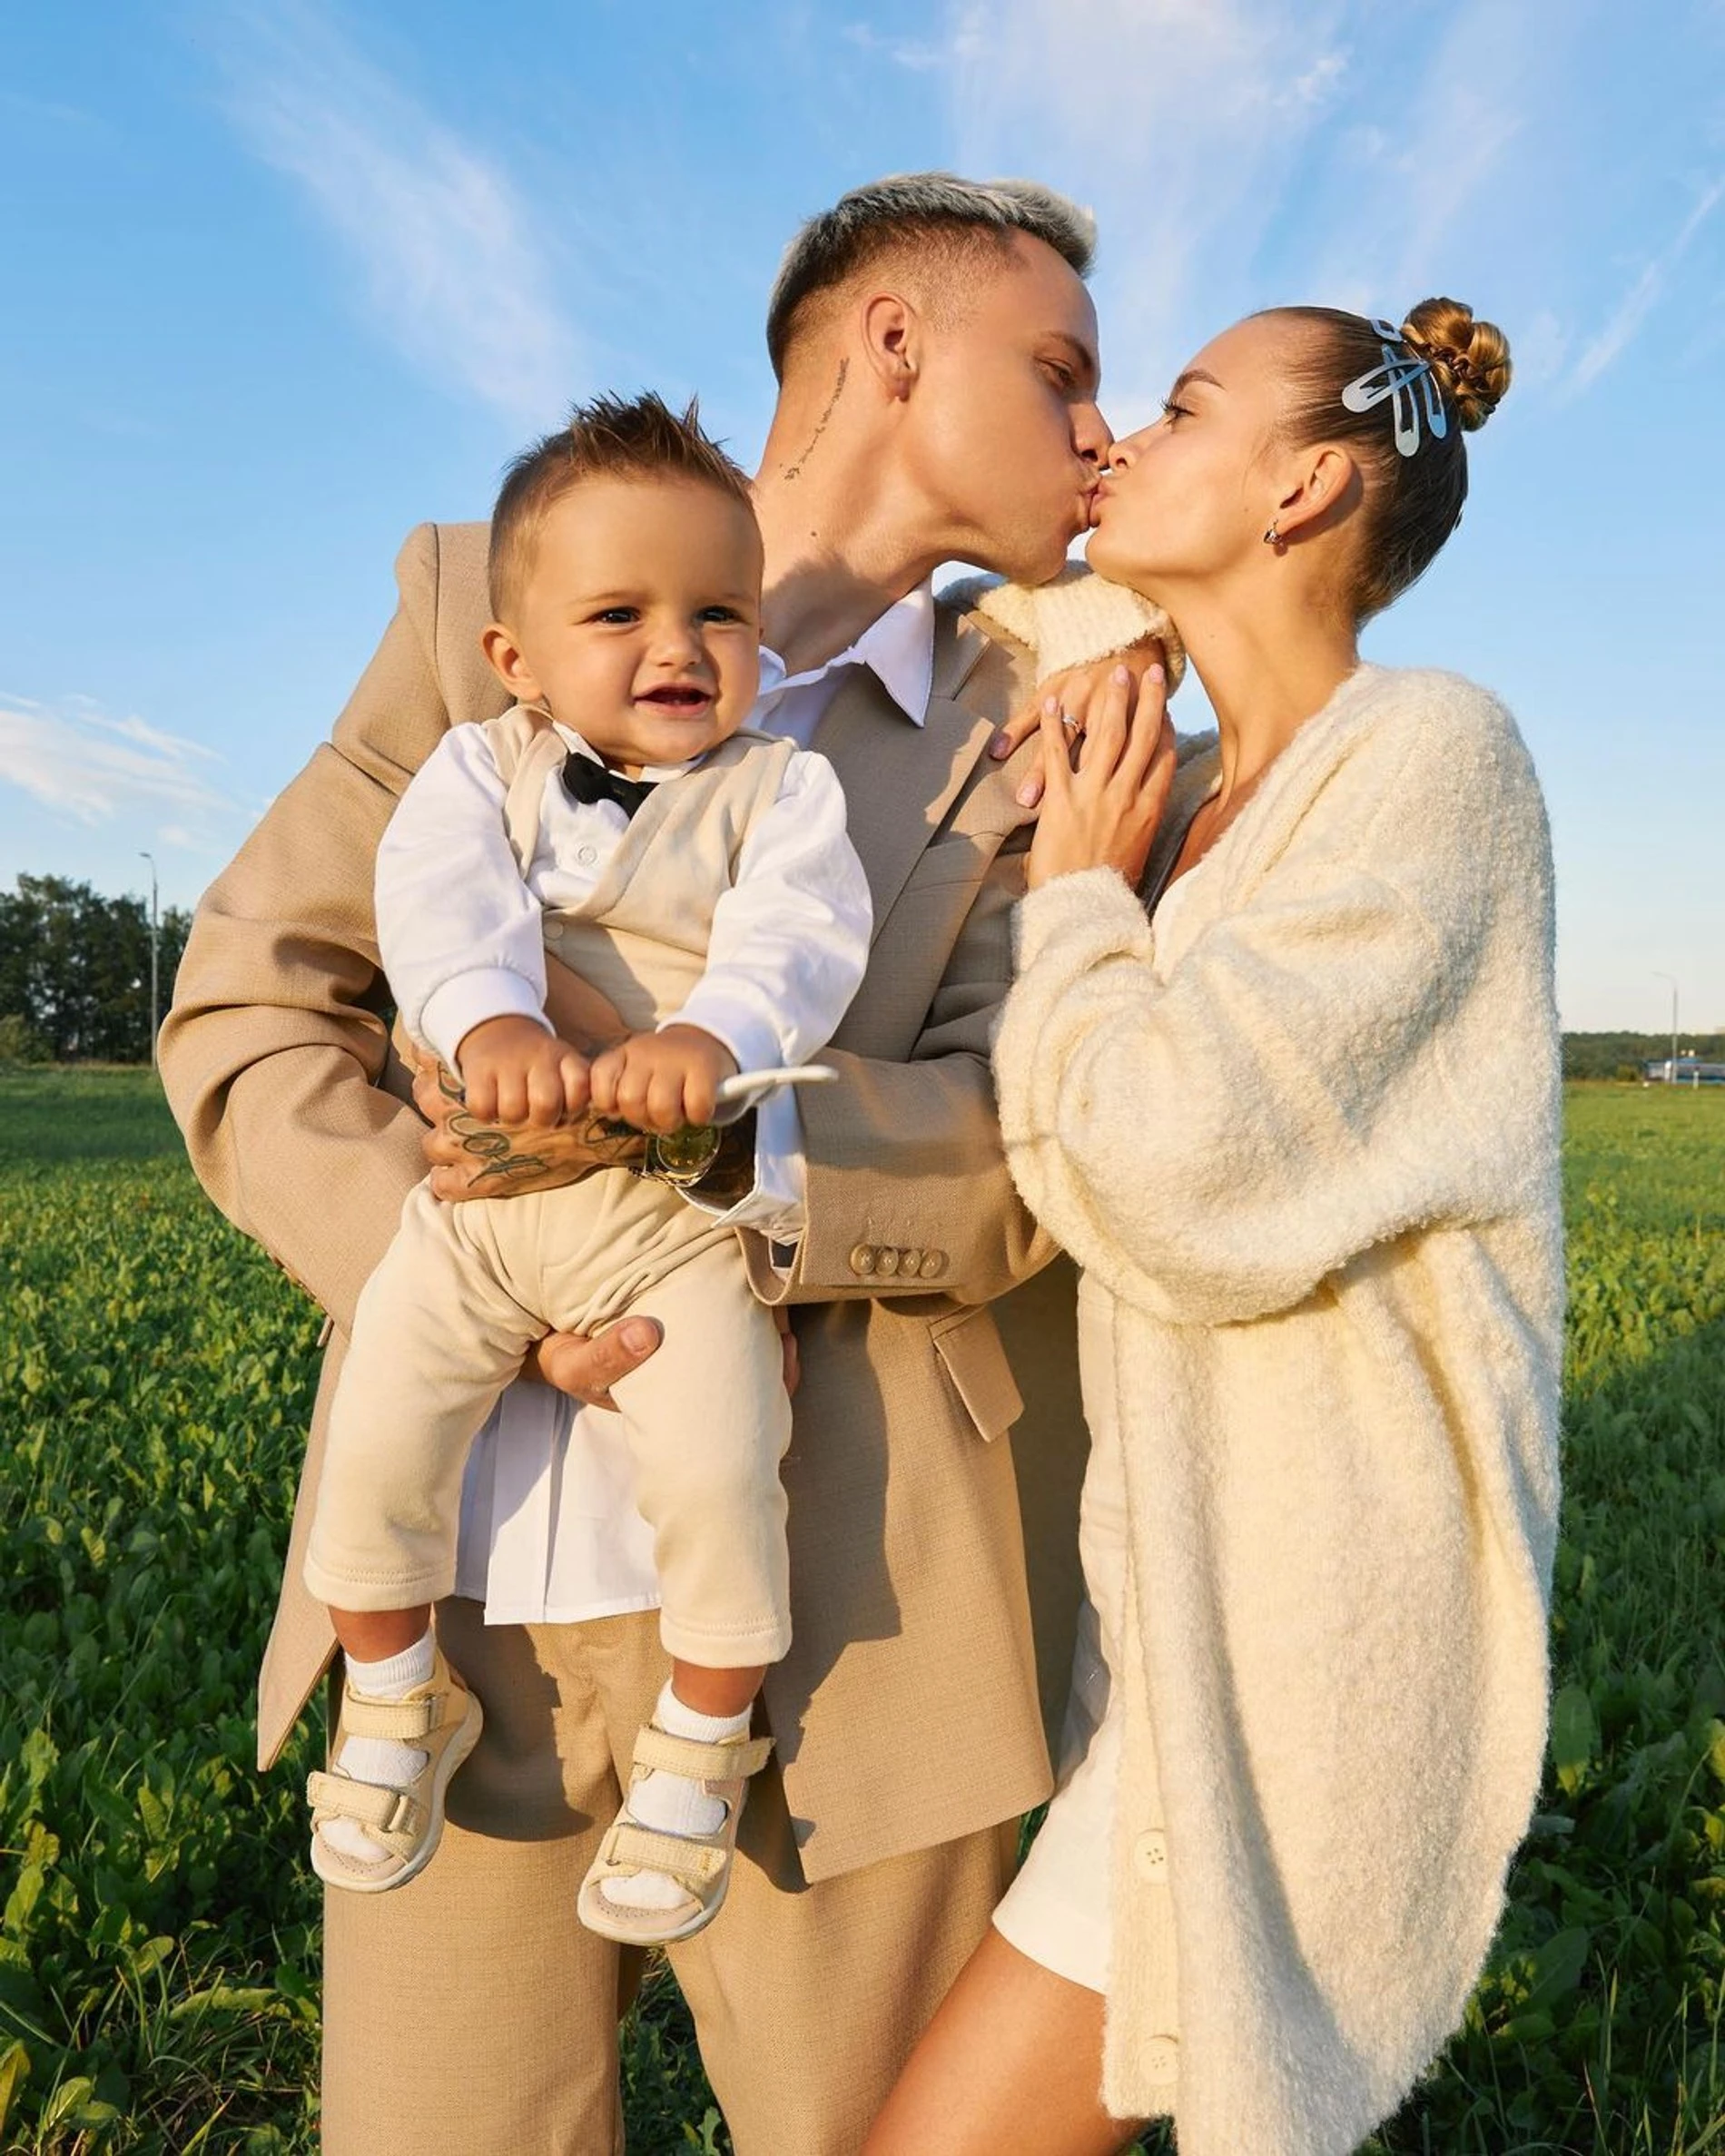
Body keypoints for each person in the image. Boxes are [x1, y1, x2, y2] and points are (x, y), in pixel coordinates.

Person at [160, 172, 1175, 2154]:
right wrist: (463, 1262)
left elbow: (1034, 1138)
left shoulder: (1040, 720)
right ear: (893, 341)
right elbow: (249, 1005)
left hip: (859, 1621)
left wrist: (719, 1152)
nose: (1099, 429)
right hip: (452, 1608)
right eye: (1060, 370)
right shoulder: (481, 601)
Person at [866, 300, 1563, 2156]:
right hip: (1155, 1602)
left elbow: (1172, 1165)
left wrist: (1078, 906)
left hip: (1295, 1643)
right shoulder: (1173, 791)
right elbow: (988, 612)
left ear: (1306, 483)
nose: (1115, 440)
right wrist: (1115, 658)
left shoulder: (1427, 756)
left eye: (1178, 408)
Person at [302, 389, 875, 1949]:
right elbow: (440, 901)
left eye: (720, 613)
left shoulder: (784, 787)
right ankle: (394, 1687)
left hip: (666, 1220)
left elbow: (801, 934)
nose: (677, 646)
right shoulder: (477, 768)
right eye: (619, 614)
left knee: (720, 1459)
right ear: (518, 656)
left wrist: (716, 1031)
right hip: (480, 1207)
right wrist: (487, 1015)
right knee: (379, 1431)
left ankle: (704, 1731)